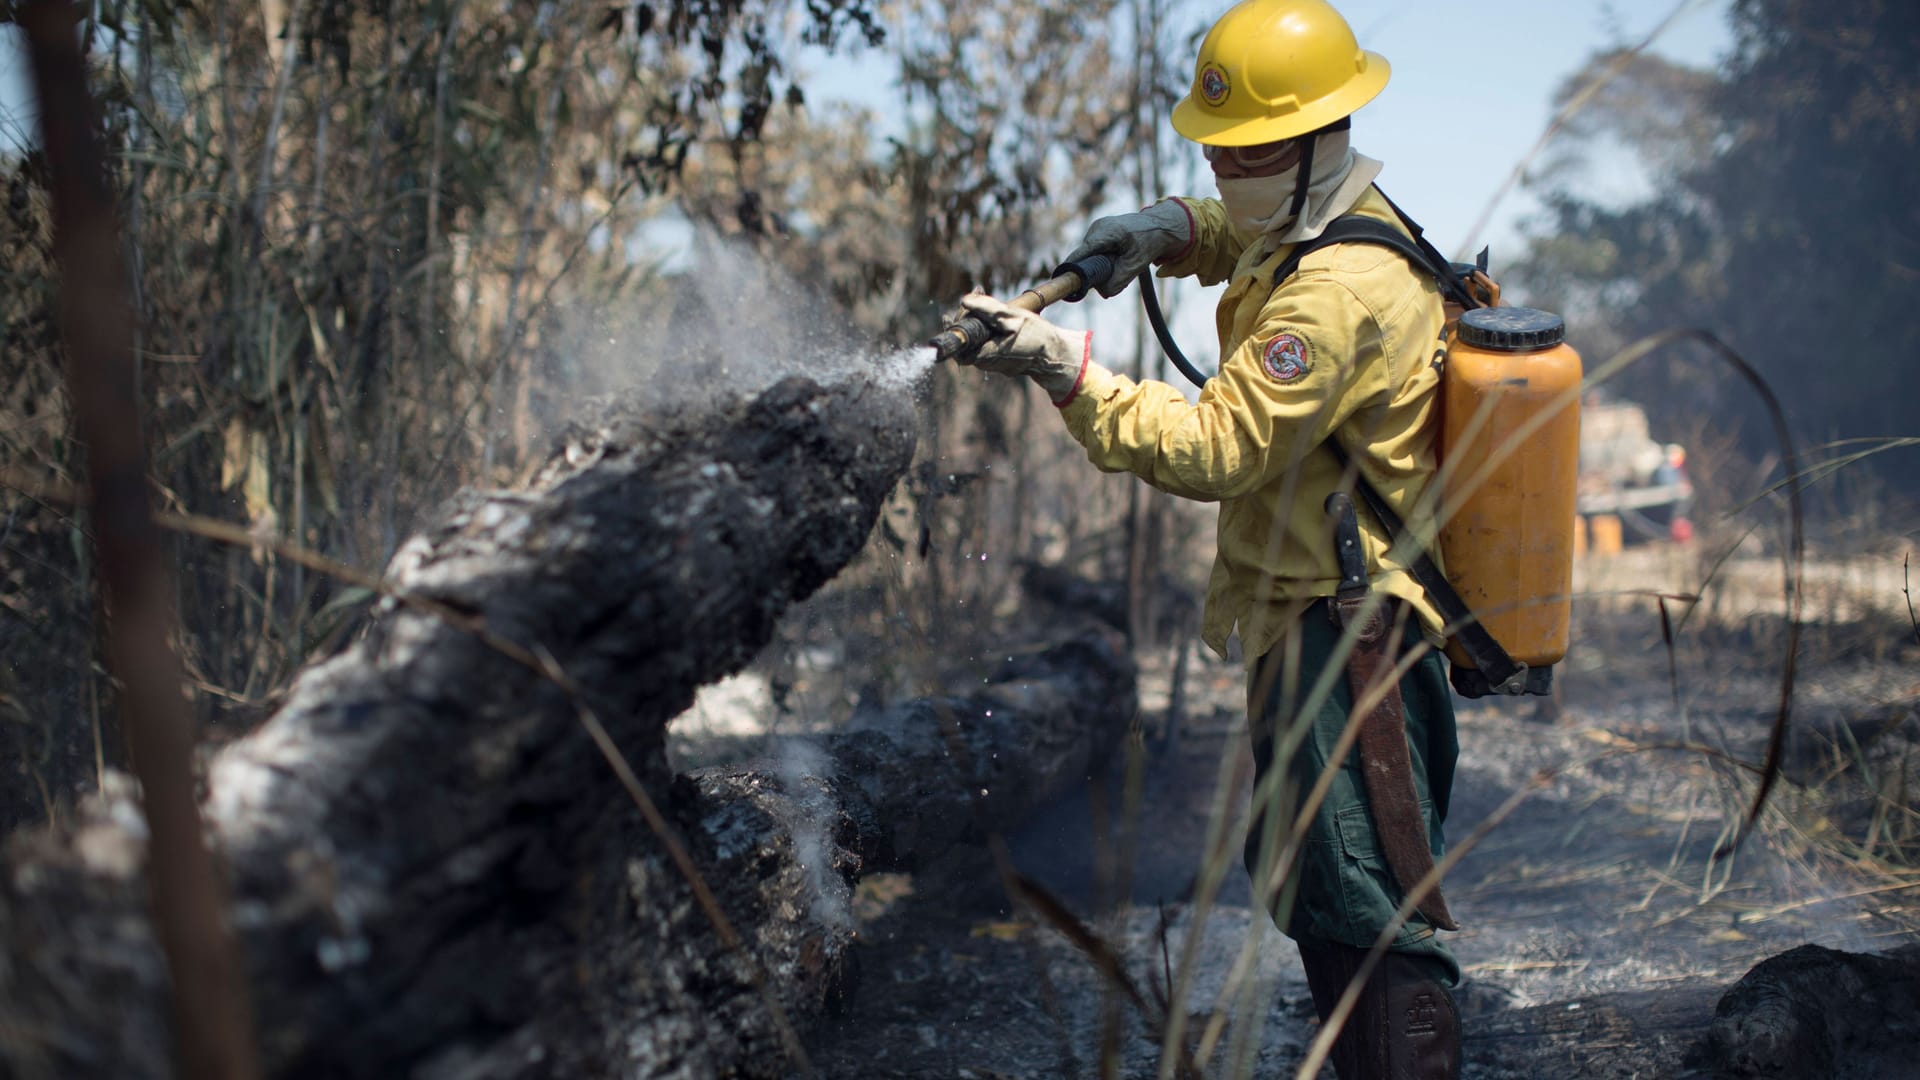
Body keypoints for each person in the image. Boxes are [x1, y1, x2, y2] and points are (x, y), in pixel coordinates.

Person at [953, 1, 1465, 1076]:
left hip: (1350, 632)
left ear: (1324, 134)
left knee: (1371, 897)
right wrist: (1167, 229)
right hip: (1311, 615)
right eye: (1217, 149)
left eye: (1252, 149)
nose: (1232, 167)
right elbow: (1246, 231)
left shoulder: (1337, 292)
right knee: (1320, 881)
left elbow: (1217, 448)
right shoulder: (1325, 220)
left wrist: (1068, 372)